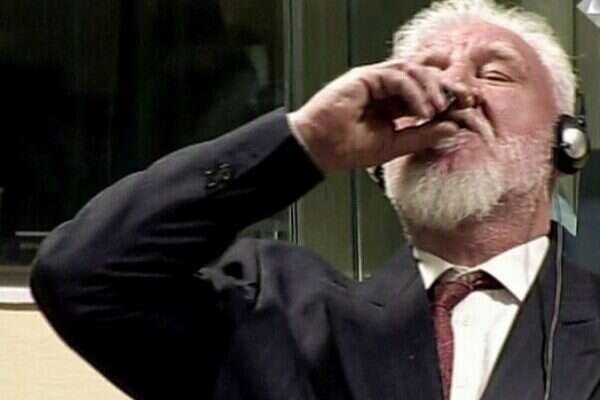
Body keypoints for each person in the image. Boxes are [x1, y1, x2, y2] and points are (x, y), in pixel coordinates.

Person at [31, 0, 600, 399]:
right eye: (425, 77)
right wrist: (307, 142)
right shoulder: (273, 312)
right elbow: (83, 277)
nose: (454, 91)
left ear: (565, 141)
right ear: (380, 162)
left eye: (495, 74)